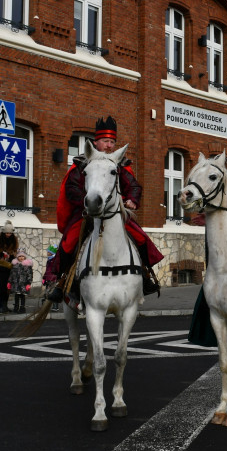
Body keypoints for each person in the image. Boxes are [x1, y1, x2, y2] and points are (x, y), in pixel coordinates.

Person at [44, 116, 163, 309]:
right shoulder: (82, 163)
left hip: (114, 213)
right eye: (106, 141)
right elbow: (72, 188)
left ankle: (145, 275)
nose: (109, 145)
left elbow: (133, 185)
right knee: (69, 242)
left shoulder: (119, 164)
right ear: (96, 143)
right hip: (87, 213)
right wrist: (87, 201)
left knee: (141, 239)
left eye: (112, 142)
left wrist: (132, 199)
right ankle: (62, 280)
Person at [8, 248, 34, 313]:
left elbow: (30, 275)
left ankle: (22, 308)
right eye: (19, 256)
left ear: (25, 257)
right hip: (16, 284)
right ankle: (16, 307)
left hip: (23, 284)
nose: (21, 258)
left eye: (22, 256)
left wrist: (28, 283)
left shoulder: (27, 265)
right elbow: (11, 274)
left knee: (22, 296)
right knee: (16, 296)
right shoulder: (15, 265)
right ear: (17, 257)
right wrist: (9, 282)